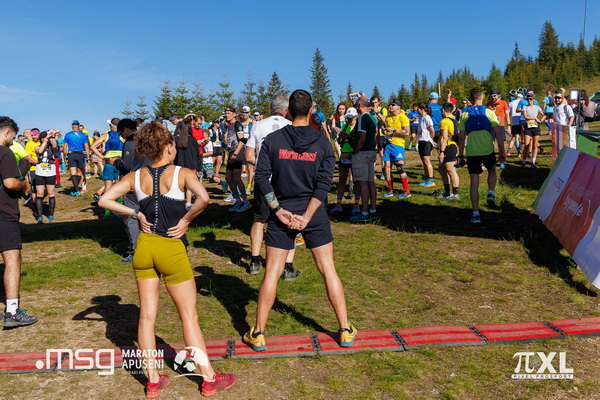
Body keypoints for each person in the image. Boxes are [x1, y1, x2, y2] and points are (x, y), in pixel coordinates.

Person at [99, 122, 235, 398]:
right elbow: (204, 198)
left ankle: (152, 381)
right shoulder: (182, 172)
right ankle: (208, 378)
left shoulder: (135, 176)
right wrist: (185, 220)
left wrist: (136, 214)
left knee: (147, 317)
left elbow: (104, 200)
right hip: (171, 249)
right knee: (188, 316)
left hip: (144, 248)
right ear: (168, 147)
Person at [243, 89, 357, 352]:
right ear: (311, 110)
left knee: (272, 272)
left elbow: (261, 178)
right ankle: (344, 329)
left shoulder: (273, 140)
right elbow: (324, 184)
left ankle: (258, 333)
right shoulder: (322, 142)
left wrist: (278, 210)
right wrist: (306, 216)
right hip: (313, 213)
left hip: (284, 211)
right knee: (328, 268)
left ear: (288, 111)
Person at [245, 93, 301, 280]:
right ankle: (288, 266)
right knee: (289, 219)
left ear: (271, 107)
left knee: (259, 219)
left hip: (264, 179)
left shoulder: (258, 125)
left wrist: (262, 166)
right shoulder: (291, 125)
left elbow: (248, 155)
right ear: (287, 109)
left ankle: (255, 261)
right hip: (286, 180)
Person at [0, 116, 37, 328]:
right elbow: (10, 183)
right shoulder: (4, 152)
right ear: (7, 133)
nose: (12, 141)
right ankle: (12, 311)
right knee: (12, 260)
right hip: (3, 213)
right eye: (13, 138)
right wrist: (24, 186)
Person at [457, 87, 506, 224]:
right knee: (492, 170)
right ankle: (491, 192)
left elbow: (461, 138)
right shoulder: (489, 112)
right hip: (487, 149)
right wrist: (502, 152)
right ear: (483, 97)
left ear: (470, 99)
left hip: (472, 151)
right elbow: (498, 133)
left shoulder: (465, 114)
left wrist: (460, 155)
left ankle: (476, 213)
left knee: (474, 181)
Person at [111, 119, 151, 262]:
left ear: (126, 129)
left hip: (133, 183)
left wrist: (115, 162)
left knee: (131, 217)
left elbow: (127, 165)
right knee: (149, 215)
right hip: (150, 181)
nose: (121, 136)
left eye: (121, 133)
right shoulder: (146, 139)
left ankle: (136, 251)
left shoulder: (130, 142)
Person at [349, 98, 379, 223]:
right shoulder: (373, 118)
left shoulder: (362, 118)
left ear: (360, 106)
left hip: (362, 153)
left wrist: (356, 151)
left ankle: (364, 212)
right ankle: (373, 210)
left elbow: (362, 137)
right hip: (371, 151)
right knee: (371, 182)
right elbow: (376, 135)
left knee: (362, 183)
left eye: (356, 106)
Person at [329, 107, 361, 218]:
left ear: (356, 117)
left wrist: (349, 137)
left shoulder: (357, 127)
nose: (349, 119)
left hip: (354, 154)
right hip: (345, 154)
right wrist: (341, 137)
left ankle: (356, 204)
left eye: (351, 117)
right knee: (342, 179)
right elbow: (339, 141)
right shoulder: (345, 126)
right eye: (348, 117)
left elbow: (358, 141)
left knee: (356, 180)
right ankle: (338, 204)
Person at [382, 100, 411, 198]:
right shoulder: (388, 117)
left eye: (393, 105)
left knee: (399, 167)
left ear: (398, 107)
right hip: (388, 144)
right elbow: (387, 132)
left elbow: (407, 132)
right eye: (389, 104)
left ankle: (406, 191)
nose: (390, 106)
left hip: (398, 145)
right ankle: (391, 190)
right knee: (387, 168)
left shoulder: (403, 117)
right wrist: (385, 130)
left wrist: (394, 130)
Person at [224, 107, 251, 212]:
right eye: (226, 113)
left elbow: (242, 140)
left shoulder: (237, 124)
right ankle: (238, 200)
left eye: (229, 113)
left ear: (234, 114)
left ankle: (246, 201)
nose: (226, 115)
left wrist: (235, 154)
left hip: (237, 153)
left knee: (236, 177)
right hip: (231, 152)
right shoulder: (229, 126)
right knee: (228, 178)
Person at [33, 130, 59, 223]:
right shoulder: (37, 147)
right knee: (39, 193)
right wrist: (45, 140)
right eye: (44, 138)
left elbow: (55, 146)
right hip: (40, 172)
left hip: (50, 172)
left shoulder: (52, 148)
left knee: (50, 193)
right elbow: (40, 151)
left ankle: (51, 214)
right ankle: (40, 216)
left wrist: (52, 137)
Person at [436, 103, 460, 200]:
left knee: (451, 170)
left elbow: (444, 137)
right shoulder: (454, 119)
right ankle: (446, 192)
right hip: (452, 146)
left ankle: (455, 193)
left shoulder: (445, 121)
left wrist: (442, 151)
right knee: (442, 169)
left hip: (448, 147)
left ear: (443, 110)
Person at [62, 120, 90, 196]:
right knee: (80, 172)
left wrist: (65, 156)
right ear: (78, 126)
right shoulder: (83, 135)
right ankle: (77, 189)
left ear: (72, 126)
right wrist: (88, 157)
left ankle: (76, 189)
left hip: (71, 154)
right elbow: (86, 147)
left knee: (73, 172)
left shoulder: (68, 134)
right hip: (80, 154)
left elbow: (65, 147)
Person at [520, 94, 545, 168]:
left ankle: (533, 162)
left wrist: (541, 120)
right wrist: (535, 118)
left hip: (535, 127)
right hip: (528, 127)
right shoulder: (525, 107)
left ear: (533, 100)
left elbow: (544, 115)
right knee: (526, 145)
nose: (529, 100)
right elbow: (525, 116)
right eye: (528, 99)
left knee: (535, 145)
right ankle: (523, 162)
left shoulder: (537, 107)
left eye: (531, 99)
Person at [416, 103, 436, 187]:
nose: (417, 110)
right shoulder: (421, 118)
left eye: (418, 109)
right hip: (421, 141)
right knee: (424, 161)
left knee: (427, 161)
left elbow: (431, 130)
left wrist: (431, 139)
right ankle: (426, 178)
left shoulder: (427, 117)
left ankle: (431, 180)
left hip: (426, 141)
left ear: (422, 109)